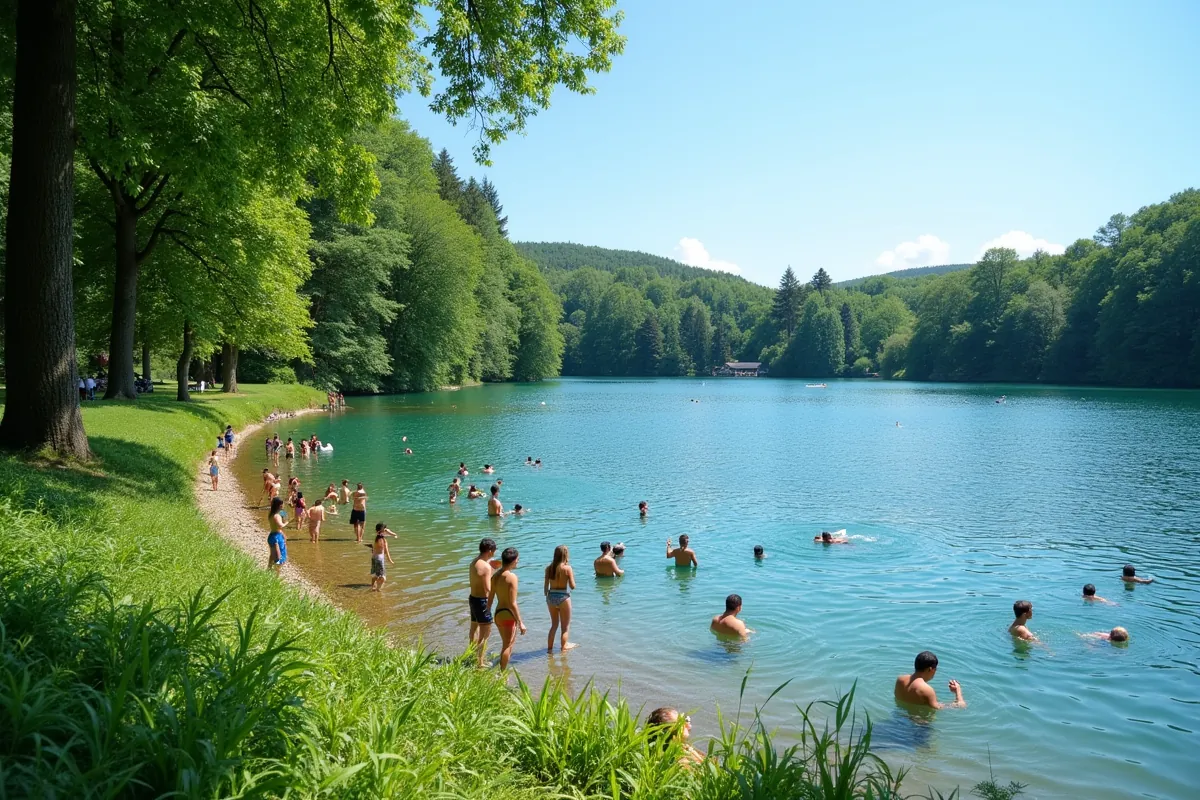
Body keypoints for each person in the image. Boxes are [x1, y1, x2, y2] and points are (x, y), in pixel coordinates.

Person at [490, 547, 526, 668]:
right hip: (508, 614)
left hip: (498, 614)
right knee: (508, 645)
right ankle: (502, 674)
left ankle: (501, 668)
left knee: (505, 643)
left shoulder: (495, 576)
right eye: (517, 559)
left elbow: (490, 599)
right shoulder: (512, 577)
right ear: (512, 560)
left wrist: (488, 614)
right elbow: (512, 603)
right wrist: (521, 622)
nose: (518, 562)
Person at [468, 538, 501, 668]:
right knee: (485, 633)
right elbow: (488, 588)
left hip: (472, 598)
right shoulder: (486, 567)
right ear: (490, 551)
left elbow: (479, 575)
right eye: (493, 551)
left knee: (473, 629)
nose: (494, 553)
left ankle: (471, 655)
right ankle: (480, 663)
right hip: (482, 601)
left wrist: (492, 568)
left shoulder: (474, 562)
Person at [894, 651, 966, 709]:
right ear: (930, 669)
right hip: (918, 725)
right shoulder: (927, 690)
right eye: (935, 669)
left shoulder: (900, 679)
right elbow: (960, 706)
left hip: (898, 718)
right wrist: (958, 691)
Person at [544, 545, 578, 653]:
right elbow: (572, 586)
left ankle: (549, 649)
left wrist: (549, 596)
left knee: (554, 625)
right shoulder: (567, 568)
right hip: (563, 597)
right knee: (565, 627)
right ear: (566, 555)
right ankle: (564, 647)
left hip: (551, 597)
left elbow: (545, 588)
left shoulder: (549, 568)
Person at [370, 523, 396, 591]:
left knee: (375, 574)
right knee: (383, 578)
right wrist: (390, 560)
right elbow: (387, 552)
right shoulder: (383, 541)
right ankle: (378, 589)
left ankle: (372, 586)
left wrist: (386, 531)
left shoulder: (377, 538)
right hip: (379, 560)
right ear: (384, 531)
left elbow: (392, 534)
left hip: (374, 558)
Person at [267, 497, 288, 568]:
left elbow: (278, 526)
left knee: (273, 555)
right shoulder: (277, 516)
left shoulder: (271, 513)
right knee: (279, 559)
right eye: (283, 504)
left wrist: (283, 535)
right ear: (280, 505)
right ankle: (276, 575)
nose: (284, 505)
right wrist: (288, 522)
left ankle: (268, 570)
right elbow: (281, 526)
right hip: (276, 537)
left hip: (272, 535)